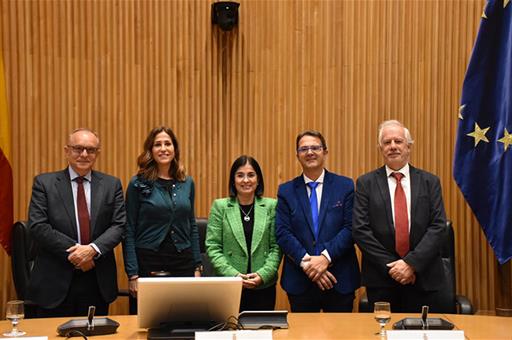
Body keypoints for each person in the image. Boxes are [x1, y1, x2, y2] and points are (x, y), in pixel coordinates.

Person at [26, 128, 126, 317]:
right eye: (78, 148)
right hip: (54, 279)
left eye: (91, 150)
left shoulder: (111, 185)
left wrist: (92, 250)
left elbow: (119, 225)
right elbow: (38, 226)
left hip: (96, 280)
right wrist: (79, 252)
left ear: (98, 153)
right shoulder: (44, 183)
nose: (84, 154)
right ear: (66, 151)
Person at [352, 120, 447, 313]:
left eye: (398, 141)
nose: (393, 146)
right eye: (387, 142)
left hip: (423, 277)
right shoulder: (365, 183)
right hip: (382, 279)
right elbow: (361, 230)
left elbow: (438, 226)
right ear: (380, 148)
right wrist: (395, 268)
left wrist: (411, 264)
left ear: (408, 146)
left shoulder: (430, 181)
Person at [275, 130, 360, 312]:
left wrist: (325, 258)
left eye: (315, 147)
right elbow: (282, 232)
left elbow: (350, 228)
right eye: (304, 148)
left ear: (325, 152)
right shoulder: (286, 191)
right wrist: (309, 264)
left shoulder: (345, 186)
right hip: (300, 280)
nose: (310, 152)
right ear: (297, 155)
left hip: (339, 278)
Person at [123, 126, 202, 314]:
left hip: (182, 260)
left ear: (175, 149)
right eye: (157, 144)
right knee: (150, 318)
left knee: (183, 317)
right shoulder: (137, 183)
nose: (163, 148)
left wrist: (197, 266)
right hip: (149, 260)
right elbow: (129, 229)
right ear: (150, 150)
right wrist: (133, 274)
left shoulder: (187, 182)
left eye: (168, 143)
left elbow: (191, 225)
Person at [206, 155, 282, 311]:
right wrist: (233, 275)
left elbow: (277, 246)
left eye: (251, 175)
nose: (246, 180)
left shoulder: (271, 206)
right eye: (240, 175)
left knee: (261, 333)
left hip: (263, 287)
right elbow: (212, 247)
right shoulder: (220, 207)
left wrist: (263, 275)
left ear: (258, 179)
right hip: (229, 286)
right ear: (233, 180)